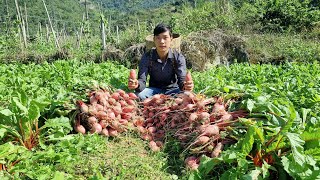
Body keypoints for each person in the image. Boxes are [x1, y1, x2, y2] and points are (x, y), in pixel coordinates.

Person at [128, 23, 194, 100]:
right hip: (153, 91)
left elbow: (181, 80)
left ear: (171, 39)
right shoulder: (147, 57)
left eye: (165, 38)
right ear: (154, 40)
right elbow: (142, 81)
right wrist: (137, 85)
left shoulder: (178, 57)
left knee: (187, 94)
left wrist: (186, 86)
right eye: (158, 38)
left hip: (173, 91)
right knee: (138, 95)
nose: (162, 41)